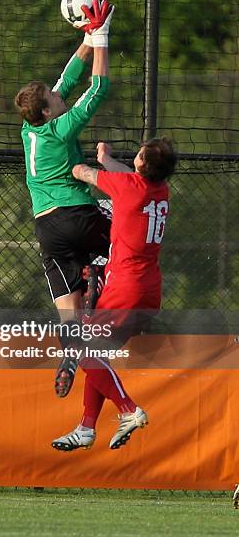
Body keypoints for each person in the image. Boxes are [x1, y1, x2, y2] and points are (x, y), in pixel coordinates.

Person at [15, 0, 114, 397]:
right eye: (55, 99)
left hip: (47, 228)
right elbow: (97, 87)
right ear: (48, 111)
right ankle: (102, 275)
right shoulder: (62, 128)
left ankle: (70, 353)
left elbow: (68, 79)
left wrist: (87, 38)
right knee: (123, 222)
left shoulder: (30, 131)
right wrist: (103, 36)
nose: (61, 97)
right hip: (80, 215)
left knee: (67, 308)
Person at [52, 137, 177, 451]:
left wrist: (62, 159)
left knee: (82, 348)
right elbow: (125, 177)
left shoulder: (129, 188)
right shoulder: (160, 190)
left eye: (138, 155)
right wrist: (106, 157)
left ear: (141, 165)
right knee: (99, 355)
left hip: (126, 286)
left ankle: (128, 410)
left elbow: (82, 172)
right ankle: (86, 427)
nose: (134, 157)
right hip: (150, 288)